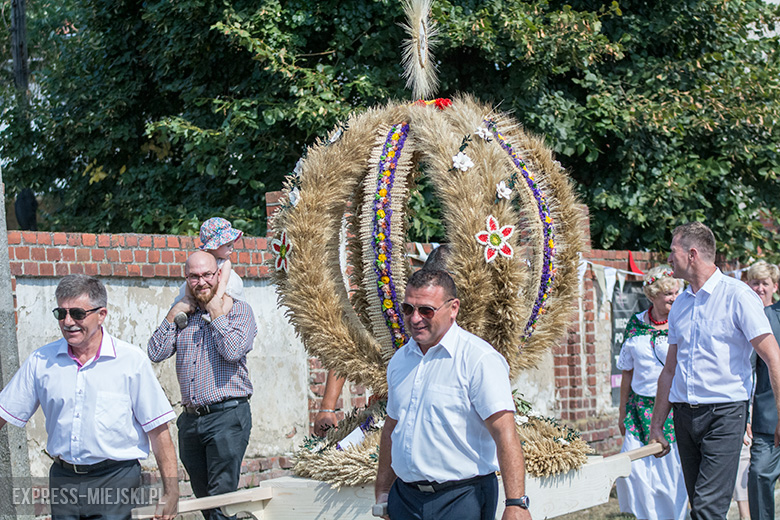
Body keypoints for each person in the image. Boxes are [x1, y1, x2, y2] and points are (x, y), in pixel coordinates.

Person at [0, 274, 179, 520]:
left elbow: (159, 430)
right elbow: (5, 410)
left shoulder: (130, 362)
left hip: (116, 479)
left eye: (77, 313)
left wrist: (172, 492)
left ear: (102, 314)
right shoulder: (41, 361)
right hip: (63, 480)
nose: (68, 321)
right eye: (60, 314)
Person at [374, 269, 531, 520]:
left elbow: (505, 433)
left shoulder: (479, 359)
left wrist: (516, 504)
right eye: (407, 309)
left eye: (426, 310)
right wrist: (383, 492)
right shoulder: (400, 361)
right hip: (405, 499)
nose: (415, 319)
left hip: (462, 498)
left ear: (453, 308)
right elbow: (392, 428)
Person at [650, 222, 780, 520]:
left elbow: (774, 358)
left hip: (724, 415)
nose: (669, 258)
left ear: (692, 254)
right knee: (701, 506)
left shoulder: (738, 296)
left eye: (673, 251)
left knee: (708, 510)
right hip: (684, 416)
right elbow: (670, 370)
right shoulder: (681, 303)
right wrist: (657, 425)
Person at [148, 251, 257, 520]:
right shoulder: (185, 316)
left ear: (219, 275)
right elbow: (155, 352)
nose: (201, 282)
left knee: (220, 500)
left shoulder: (239, 310)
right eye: (194, 277)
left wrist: (217, 313)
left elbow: (232, 351)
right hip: (191, 422)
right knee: (205, 502)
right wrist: (175, 312)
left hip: (227, 416)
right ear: (186, 279)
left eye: (207, 275)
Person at [313, 244, 453, 437]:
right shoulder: (399, 308)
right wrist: (327, 408)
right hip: (392, 417)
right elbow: (349, 348)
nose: (418, 317)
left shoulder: (476, 337)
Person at [616, 266, 687, 520]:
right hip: (637, 410)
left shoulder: (682, 322)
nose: (674, 298)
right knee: (634, 474)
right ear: (653, 295)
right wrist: (622, 411)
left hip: (670, 409)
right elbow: (627, 372)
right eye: (669, 293)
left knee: (669, 476)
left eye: (677, 292)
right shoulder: (635, 324)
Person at [747, 261, 780, 520]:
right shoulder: (747, 319)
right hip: (766, 419)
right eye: (754, 283)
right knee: (758, 474)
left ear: (774, 287)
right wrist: (745, 413)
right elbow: (745, 372)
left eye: (764, 283)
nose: (759, 288)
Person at [173, 217, 245, 328]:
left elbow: (224, 282)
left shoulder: (225, 262)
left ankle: (218, 315)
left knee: (229, 299)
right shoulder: (202, 259)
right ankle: (183, 315)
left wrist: (217, 298)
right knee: (191, 298)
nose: (232, 249)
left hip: (223, 289)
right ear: (215, 246)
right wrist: (188, 297)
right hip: (205, 289)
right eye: (228, 245)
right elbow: (189, 279)